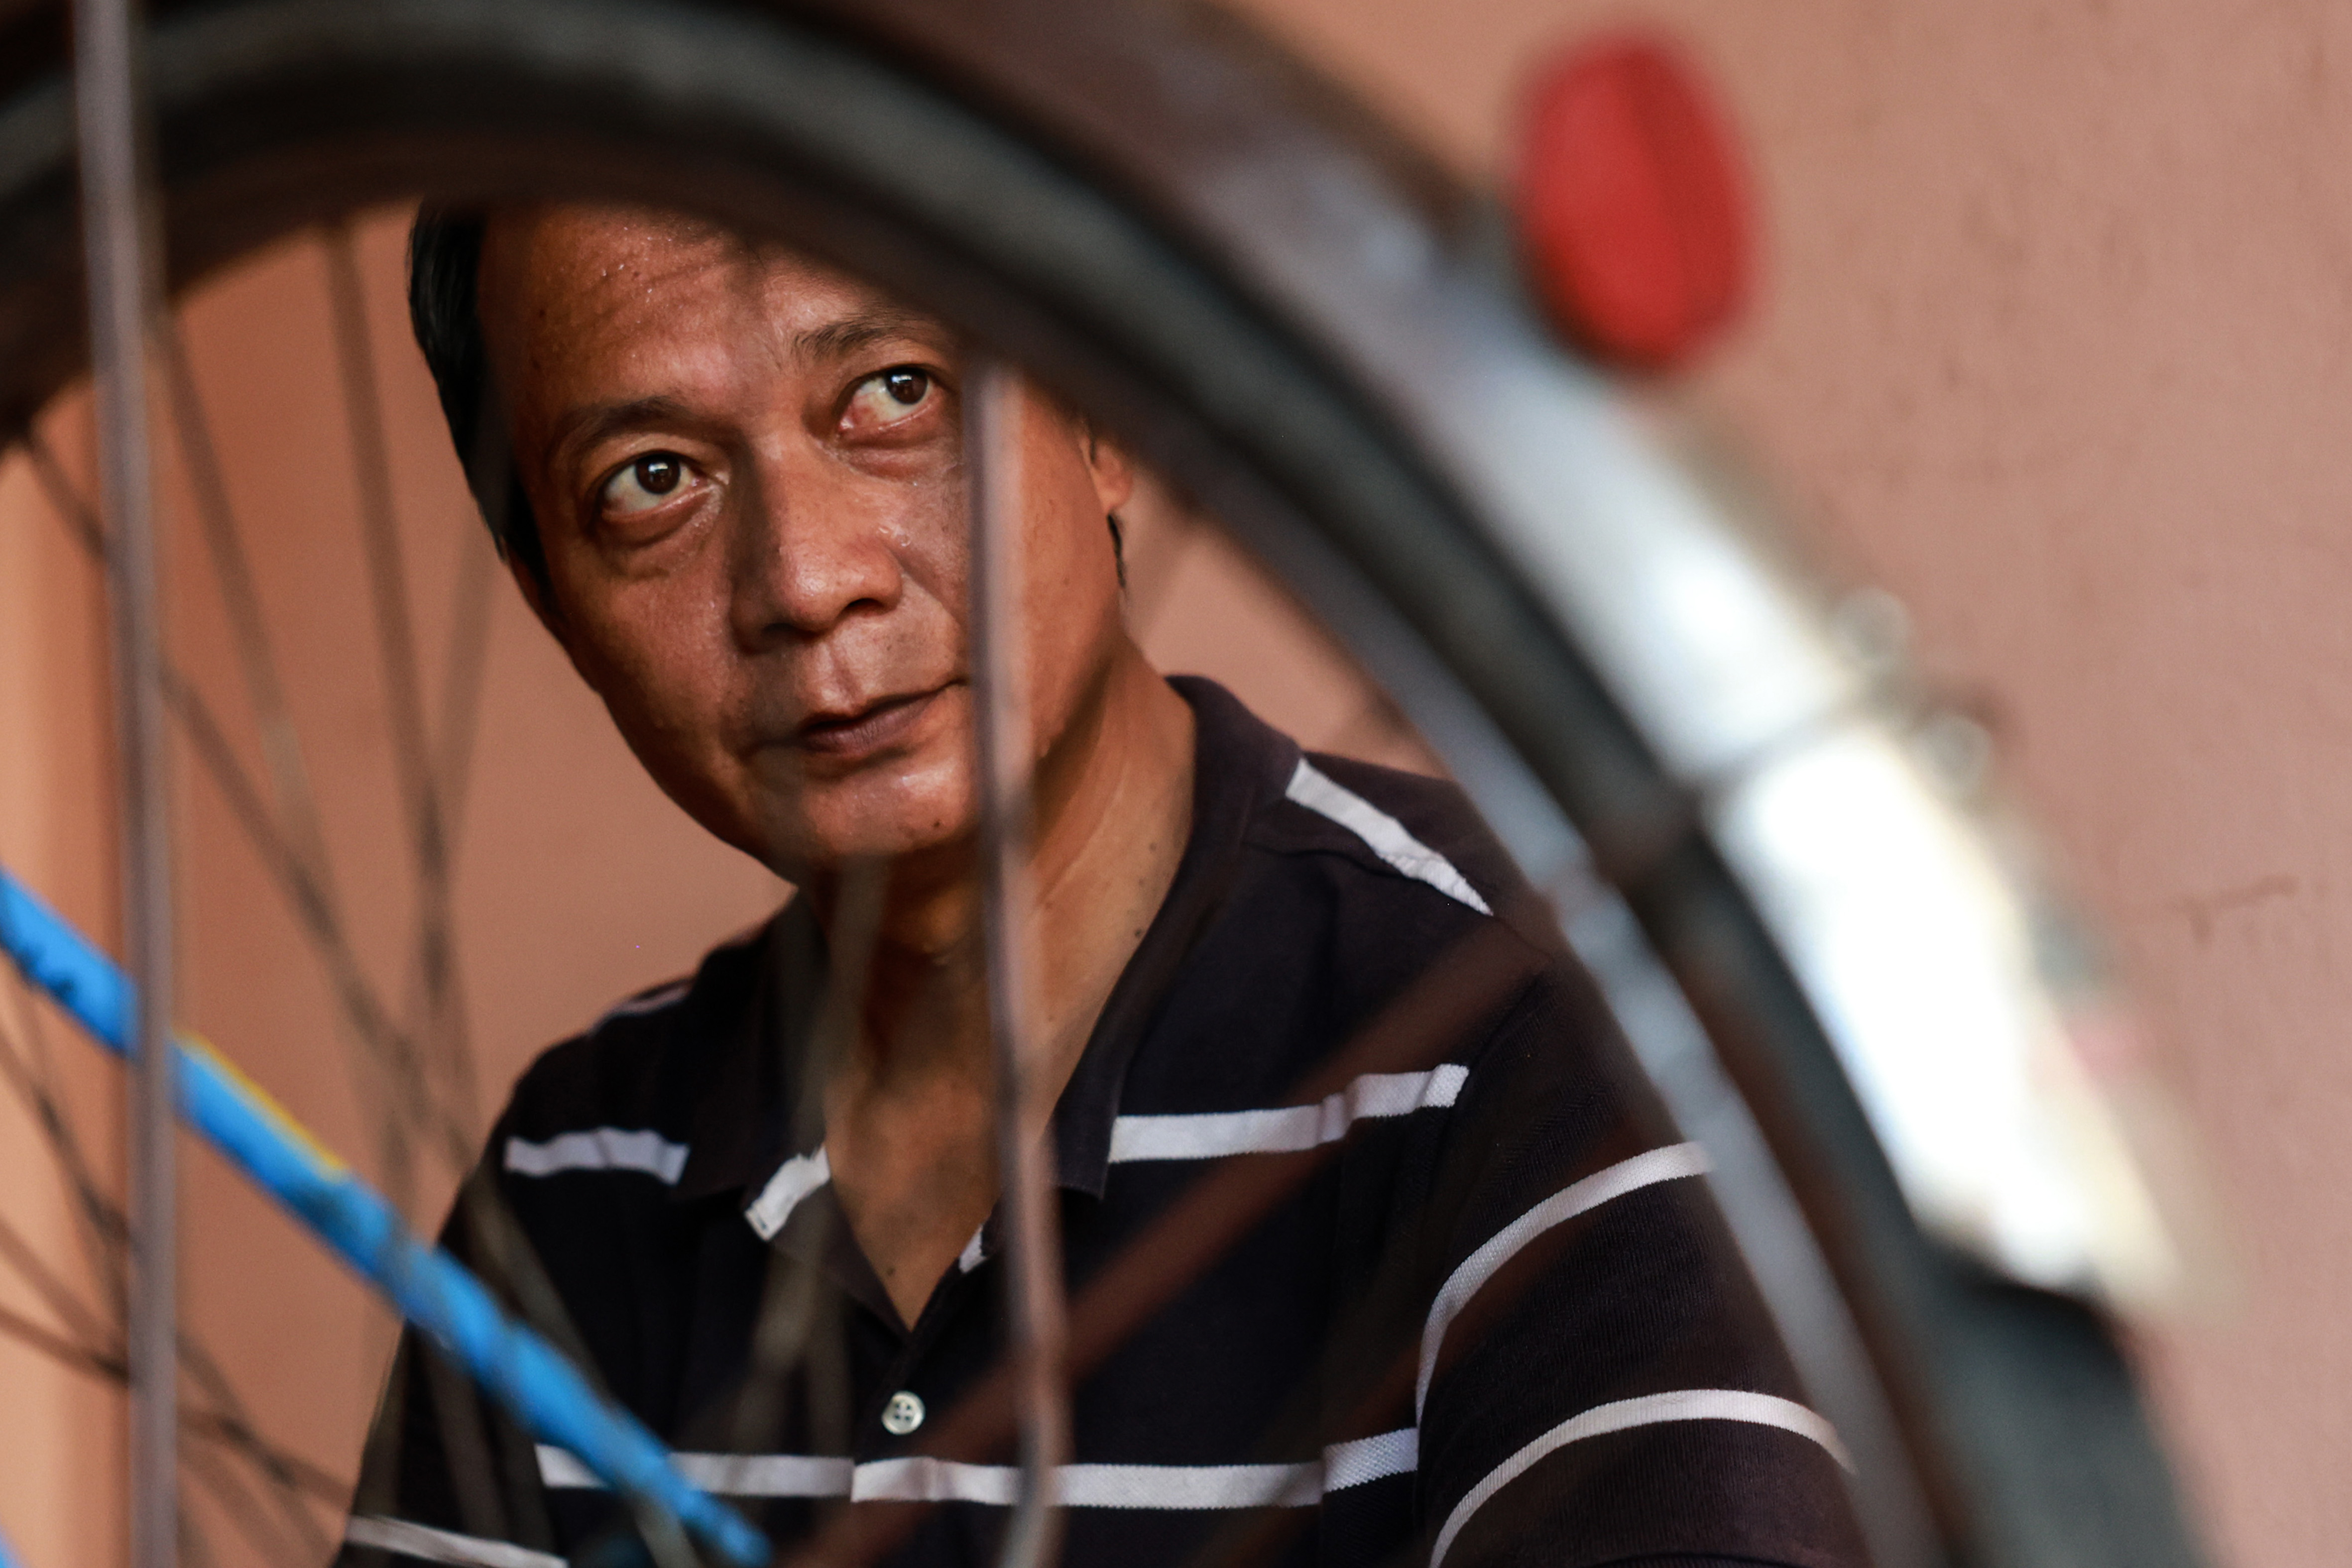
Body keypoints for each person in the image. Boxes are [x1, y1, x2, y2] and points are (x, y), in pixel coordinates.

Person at [336, 203, 1865, 1568]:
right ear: (550, 601)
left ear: (1101, 413)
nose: (805, 580)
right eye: (651, 479)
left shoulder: (1558, 1028)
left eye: (892, 394)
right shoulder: (575, 1176)